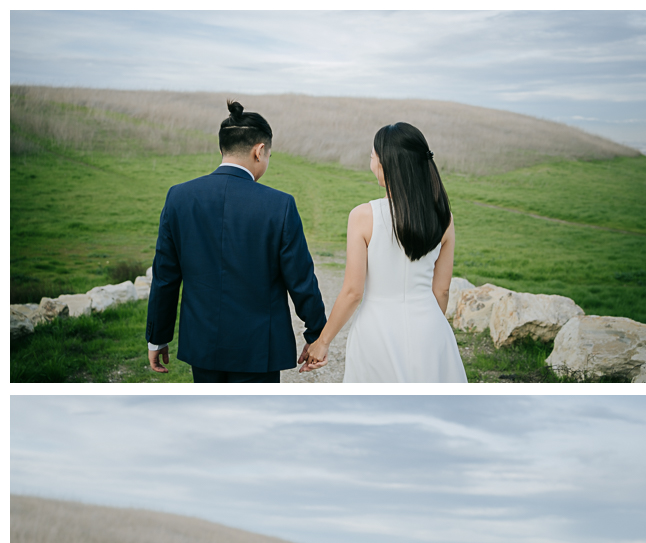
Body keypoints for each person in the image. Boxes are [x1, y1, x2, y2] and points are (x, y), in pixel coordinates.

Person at [146, 100, 326, 383]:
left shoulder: (179, 197)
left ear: (222, 149)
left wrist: (157, 337)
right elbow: (301, 281)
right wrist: (317, 334)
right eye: (268, 155)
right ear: (259, 151)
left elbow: (165, 277)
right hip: (259, 348)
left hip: (203, 344)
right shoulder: (280, 205)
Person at [300, 122, 467, 383]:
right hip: (431, 330)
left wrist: (322, 341)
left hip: (376, 332)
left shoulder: (363, 216)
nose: (371, 162)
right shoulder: (444, 217)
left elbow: (353, 292)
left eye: (372, 156)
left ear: (386, 164)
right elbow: (441, 291)